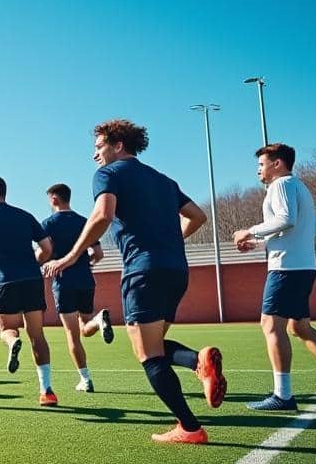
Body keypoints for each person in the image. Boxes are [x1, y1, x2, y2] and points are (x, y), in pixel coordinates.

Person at [44, 119, 224, 444]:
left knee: (148, 355)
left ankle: (190, 426)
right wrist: (170, 243)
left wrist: (70, 257)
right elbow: (198, 216)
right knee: (153, 346)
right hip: (176, 270)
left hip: (143, 271)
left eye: (98, 147)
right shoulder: (164, 180)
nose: (94, 155)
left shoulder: (108, 174)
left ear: (118, 145)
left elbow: (102, 216)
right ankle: (198, 363)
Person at [233, 143, 316, 410]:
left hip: (286, 268)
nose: (258, 170)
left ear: (277, 164)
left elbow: (286, 219)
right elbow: (314, 226)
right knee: (298, 327)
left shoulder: (280, 185)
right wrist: (262, 244)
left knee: (271, 326)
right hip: (303, 266)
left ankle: (283, 396)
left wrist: (250, 232)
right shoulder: (299, 186)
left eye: (261, 164)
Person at [0, 176, 57, 404]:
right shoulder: (25, 216)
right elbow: (47, 248)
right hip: (31, 280)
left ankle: (12, 342)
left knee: (7, 329)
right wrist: (34, 263)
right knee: (37, 335)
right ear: (4, 192)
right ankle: (47, 391)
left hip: (5, 281)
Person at [42, 183, 113, 394]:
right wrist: (85, 262)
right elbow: (99, 254)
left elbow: (45, 251)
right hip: (86, 280)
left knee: (73, 335)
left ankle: (85, 379)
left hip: (64, 282)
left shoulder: (48, 223)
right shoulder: (85, 222)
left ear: (54, 199)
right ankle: (99, 319)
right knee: (85, 325)